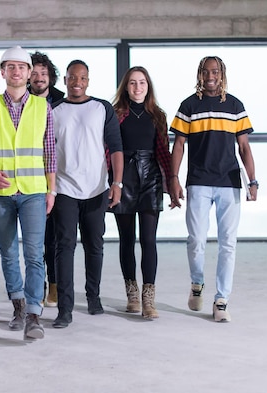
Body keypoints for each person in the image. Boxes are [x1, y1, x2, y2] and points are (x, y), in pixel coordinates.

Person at [0, 46, 56, 340]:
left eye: (21, 67)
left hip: (34, 190)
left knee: (34, 254)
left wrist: (52, 189)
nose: (17, 71)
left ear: (29, 72)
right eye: (11, 67)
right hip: (0, 192)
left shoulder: (41, 107)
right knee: (9, 253)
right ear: (3, 72)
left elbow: (49, 150)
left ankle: (34, 314)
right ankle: (18, 306)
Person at [169, 56, 258, 323]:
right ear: (200, 74)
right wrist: (173, 178)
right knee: (196, 240)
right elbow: (179, 144)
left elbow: (243, 147)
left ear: (222, 75)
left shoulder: (234, 105)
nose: (211, 75)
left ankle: (221, 300)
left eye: (215, 71)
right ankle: (197, 283)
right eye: (206, 71)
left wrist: (253, 181)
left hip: (229, 183)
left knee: (228, 244)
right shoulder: (189, 105)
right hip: (198, 180)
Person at [51, 60, 124, 328]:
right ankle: (65, 309)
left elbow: (116, 147)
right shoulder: (54, 110)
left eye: (82, 77)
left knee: (95, 245)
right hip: (64, 189)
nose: (77, 82)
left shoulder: (102, 108)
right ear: (66, 80)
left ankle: (93, 297)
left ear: (88, 80)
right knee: (64, 246)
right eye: (72, 77)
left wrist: (117, 183)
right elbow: (46, 151)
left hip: (96, 188)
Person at [110, 66, 172, 319]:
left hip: (151, 178)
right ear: (126, 87)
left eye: (142, 83)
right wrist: (113, 182)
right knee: (126, 239)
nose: (138, 88)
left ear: (148, 87)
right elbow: (110, 149)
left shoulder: (157, 115)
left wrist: (171, 183)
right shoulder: (115, 114)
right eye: (133, 83)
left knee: (148, 239)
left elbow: (163, 152)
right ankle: (132, 294)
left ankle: (149, 298)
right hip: (124, 176)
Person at [27, 51, 65, 308]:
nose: (39, 77)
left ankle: (54, 284)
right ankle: (37, 285)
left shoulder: (63, 101)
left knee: (55, 235)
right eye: (35, 73)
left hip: (60, 175)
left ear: (51, 76)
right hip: (30, 175)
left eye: (44, 73)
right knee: (34, 237)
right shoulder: (21, 100)